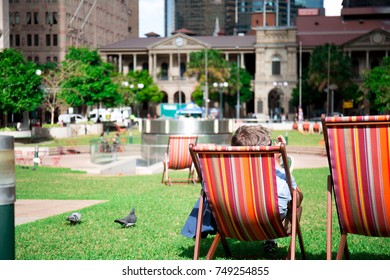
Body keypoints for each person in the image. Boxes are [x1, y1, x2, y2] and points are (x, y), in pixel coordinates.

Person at [181, 124, 302, 254]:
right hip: (269, 225)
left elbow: (207, 193)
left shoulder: (219, 176)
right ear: (267, 148)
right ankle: (271, 241)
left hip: (230, 225)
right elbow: (298, 199)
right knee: (297, 206)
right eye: (271, 143)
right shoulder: (278, 178)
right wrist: (278, 162)